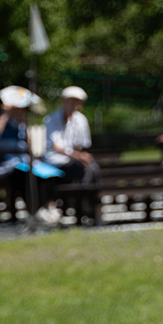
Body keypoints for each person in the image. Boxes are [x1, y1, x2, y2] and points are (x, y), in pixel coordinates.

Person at [0, 86, 39, 223]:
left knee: (34, 177)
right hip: (2, 165)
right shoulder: (0, 120)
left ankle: (37, 209)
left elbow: (28, 145)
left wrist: (24, 126)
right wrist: (6, 114)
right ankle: (31, 211)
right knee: (20, 177)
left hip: (19, 164)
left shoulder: (21, 124)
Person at [43, 85, 99, 222]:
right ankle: (82, 205)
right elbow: (57, 147)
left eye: (77, 102)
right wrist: (77, 155)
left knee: (92, 168)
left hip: (72, 160)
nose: (74, 105)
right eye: (71, 101)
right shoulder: (50, 119)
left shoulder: (81, 120)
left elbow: (81, 145)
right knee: (83, 169)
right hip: (54, 161)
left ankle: (90, 205)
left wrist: (82, 157)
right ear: (63, 101)